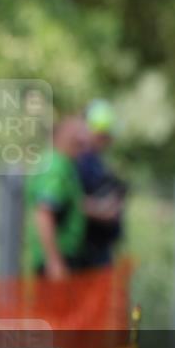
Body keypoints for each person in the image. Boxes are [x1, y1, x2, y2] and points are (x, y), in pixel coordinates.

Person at [26, 116, 88, 280]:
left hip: (63, 257)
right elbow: (44, 213)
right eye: (77, 137)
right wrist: (54, 262)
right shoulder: (56, 167)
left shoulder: (66, 165)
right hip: (56, 259)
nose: (83, 142)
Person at [75, 100, 126, 269]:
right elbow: (72, 200)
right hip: (84, 250)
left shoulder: (96, 161)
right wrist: (102, 209)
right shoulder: (80, 161)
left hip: (99, 248)